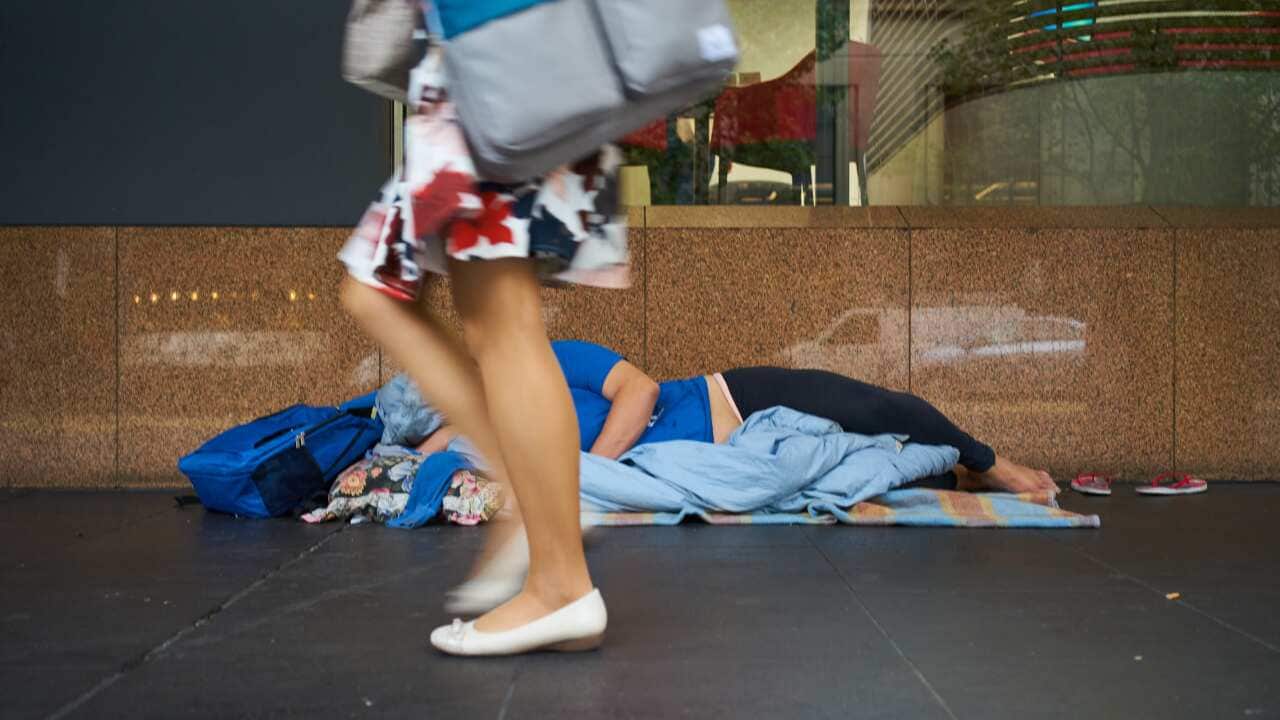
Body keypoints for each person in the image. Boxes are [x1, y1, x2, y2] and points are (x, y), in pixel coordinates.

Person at [340, 33, 628, 652]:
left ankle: (560, 584)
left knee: (499, 321)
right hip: (501, 74)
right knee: (407, 298)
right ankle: (540, 526)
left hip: (497, 70)